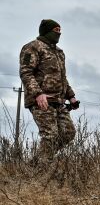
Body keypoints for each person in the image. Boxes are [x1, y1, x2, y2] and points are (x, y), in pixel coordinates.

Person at [19, 19, 79, 162]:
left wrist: (71, 96)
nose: (59, 33)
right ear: (46, 31)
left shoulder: (59, 52)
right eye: (55, 30)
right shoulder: (32, 47)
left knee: (68, 133)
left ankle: (37, 162)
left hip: (58, 100)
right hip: (41, 100)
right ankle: (41, 170)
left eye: (60, 31)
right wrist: (38, 94)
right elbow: (26, 73)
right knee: (50, 136)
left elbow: (62, 77)